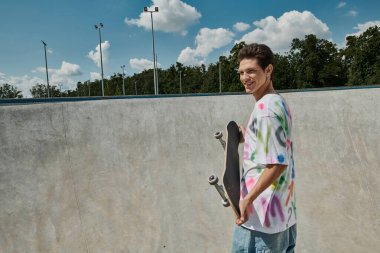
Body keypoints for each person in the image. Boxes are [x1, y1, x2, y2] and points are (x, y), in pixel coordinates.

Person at [232, 43, 297, 252]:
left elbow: (278, 164)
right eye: (241, 72)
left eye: (251, 71)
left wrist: (248, 199)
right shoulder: (278, 102)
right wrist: (250, 135)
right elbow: (276, 146)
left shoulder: (265, 109)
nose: (245, 77)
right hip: (282, 216)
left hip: (260, 219)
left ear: (268, 70)